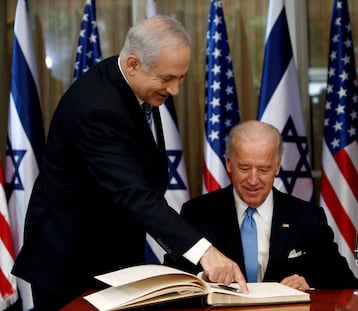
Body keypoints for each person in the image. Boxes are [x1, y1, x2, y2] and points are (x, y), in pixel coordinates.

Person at [12, 15, 247, 310]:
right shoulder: (97, 109)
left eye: (181, 77)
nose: (175, 90)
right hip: (71, 265)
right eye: (167, 79)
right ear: (134, 64)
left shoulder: (131, 83)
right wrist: (204, 252)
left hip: (115, 259)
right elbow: (133, 193)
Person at [167, 120, 358, 291]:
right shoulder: (197, 214)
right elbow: (172, 280)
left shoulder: (307, 217)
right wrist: (204, 279)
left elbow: (347, 283)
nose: (253, 180)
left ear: (277, 167)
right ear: (228, 163)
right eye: (244, 168)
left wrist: (307, 283)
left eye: (263, 169)